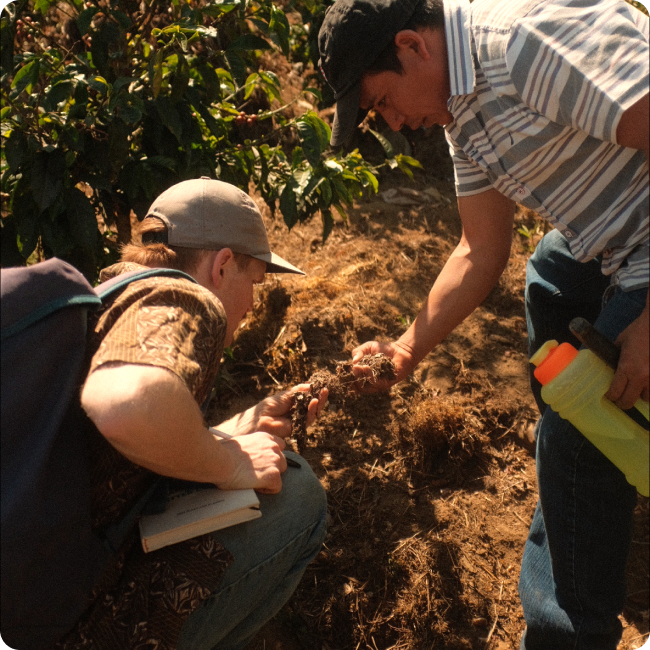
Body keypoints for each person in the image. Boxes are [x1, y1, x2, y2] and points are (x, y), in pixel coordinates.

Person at [318, 0, 649, 648]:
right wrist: (405, 351)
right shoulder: (463, 112)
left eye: (383, 102)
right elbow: (479, 252)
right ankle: (601, 470)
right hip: (619, 245)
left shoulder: (523, 48)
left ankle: (567, 627)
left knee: (578, 430)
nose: (393, 122)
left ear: (413, 47)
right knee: (550, 279)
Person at [54, 178, 328, 649]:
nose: (253, 304)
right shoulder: (186, 298)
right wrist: (232, 463)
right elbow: (124, 406)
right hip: (71, 625)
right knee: (298, 493)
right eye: (254, 282)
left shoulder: (107, 295)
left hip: (40, 584)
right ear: (222, 265)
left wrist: (229, 433)